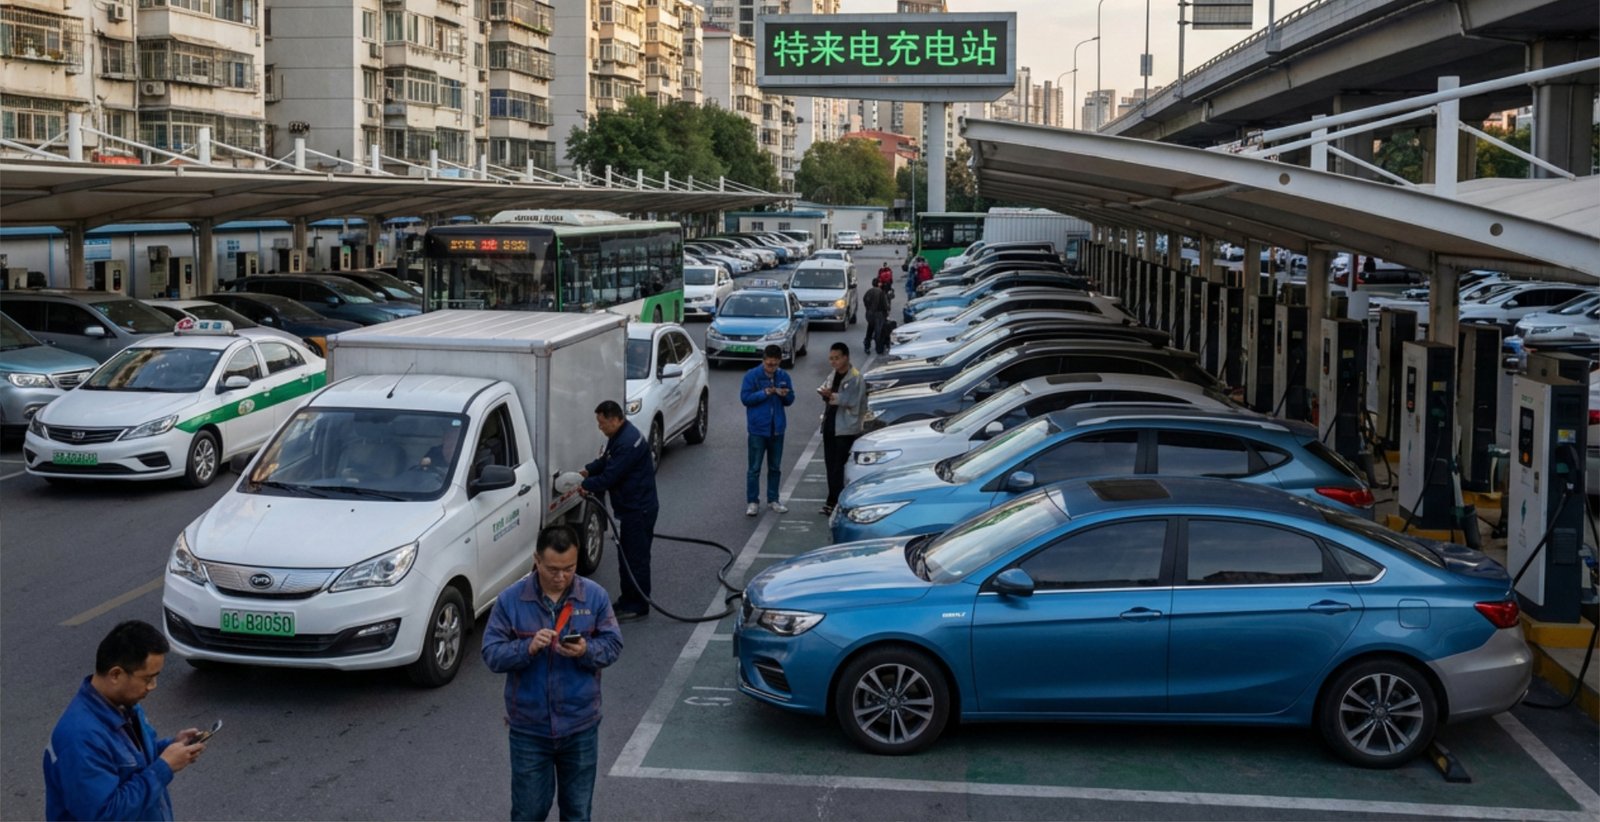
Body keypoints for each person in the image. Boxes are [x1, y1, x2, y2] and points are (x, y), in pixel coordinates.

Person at [483, 525, 624, 822]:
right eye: (552, 569)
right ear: (536, 560)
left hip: (580, 725)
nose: (560, 577)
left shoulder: (594, 597)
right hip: (529, 730)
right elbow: (491, 653)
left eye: (569, 569)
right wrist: (526, 648)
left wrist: (586, 650)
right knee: (528, 812)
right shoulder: (511, 600)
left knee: (577, 812)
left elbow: (613, 645)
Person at [44, 620, 206, 821]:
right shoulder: (79, 738)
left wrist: (170, 747)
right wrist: (164, 767)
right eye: (147, 679)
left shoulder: (125, 704)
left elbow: (130, 760)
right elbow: (105, 815)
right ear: (116, 675)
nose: (152, 686)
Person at [579, 400, 658, 622]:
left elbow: (610, 476)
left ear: (614, 419)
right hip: (631, 507)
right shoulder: (621, 436)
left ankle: (638, 604)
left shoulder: (627, 442)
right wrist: (587, 471)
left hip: (638, 509)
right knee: (626, 558)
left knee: (635, 559)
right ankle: (627, 599)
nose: (600, 427)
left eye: (602, 423)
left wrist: (584, 486)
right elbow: (606, 461)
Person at [741, 345, 794, 517]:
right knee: (754, 468)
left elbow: (790, 399)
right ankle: (752, 501)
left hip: (777, 429)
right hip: (758, 429)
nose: (771, 367)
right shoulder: (752, 375)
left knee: (775, 467)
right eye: (768, 364)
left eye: (774, 364)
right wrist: (765, 392)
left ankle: (773, 499)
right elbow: (745, 398)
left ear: (779, 361)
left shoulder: (783, 376)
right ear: (763, 360)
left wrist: (784, 394)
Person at [817, 342, 868, 517]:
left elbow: (851, 400)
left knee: (839, 467)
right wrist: (825, 393)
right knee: (830, 465)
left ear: (846, 357)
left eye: (837, 358)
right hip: (831, 425)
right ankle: (831, 500)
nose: (834, 362)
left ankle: (838, 503)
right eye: (831, 359)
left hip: (846, 428)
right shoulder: (833, 374)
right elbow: (828, 390)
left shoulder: (855, 377)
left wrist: (832, 396)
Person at [861, 280, 891, 356]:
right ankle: (879, 348)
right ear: (878, 284)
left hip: (870, 314)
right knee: (879, 331)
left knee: (870, 329)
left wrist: (868, 309)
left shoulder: (869, 291)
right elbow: (885, 305)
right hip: (879, 314)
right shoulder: (880, 292)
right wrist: (887, 309)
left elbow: (864, 300)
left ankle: (867, 345)